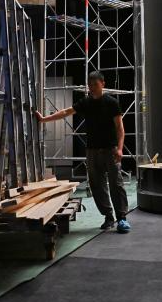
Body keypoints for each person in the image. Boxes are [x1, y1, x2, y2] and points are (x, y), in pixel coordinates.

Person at [35, 70, 130, 233]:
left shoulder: (112, 103)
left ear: (103, 84)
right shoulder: (86, 103)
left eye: (95, 84)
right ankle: (108, 217)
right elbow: (66, 112)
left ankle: (122, 218)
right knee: (96, 185)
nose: (92, 87)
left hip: (111, 149)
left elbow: (120, 128)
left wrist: (120, 148)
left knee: (116, 183)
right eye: (90, 85)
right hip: (92, 151)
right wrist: (44, 119)